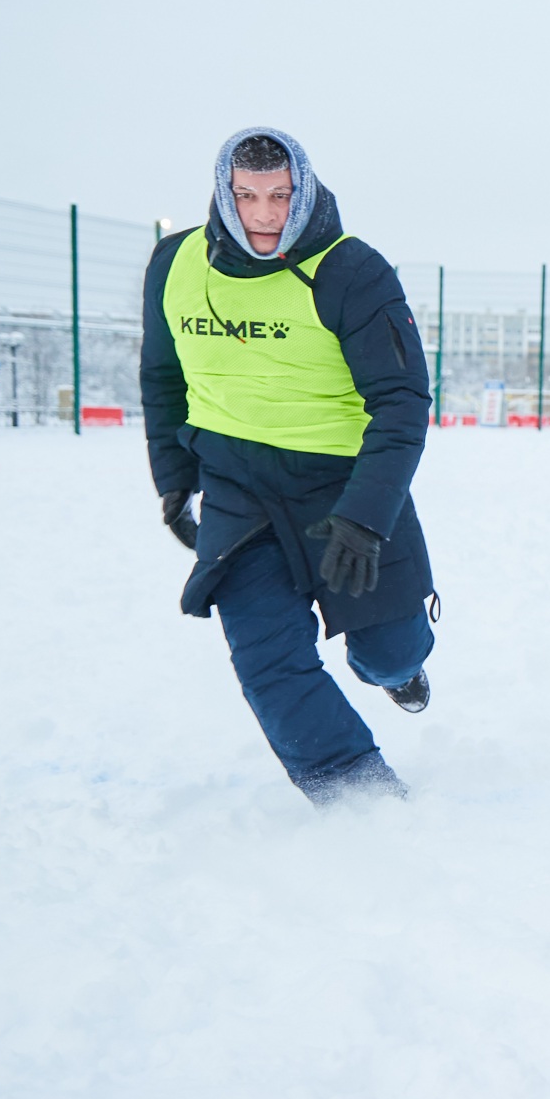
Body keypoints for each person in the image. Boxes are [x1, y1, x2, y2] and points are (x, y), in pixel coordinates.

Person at [140, 127, 438, 804]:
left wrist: (364, 518)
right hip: (237, 490)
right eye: (248, 197)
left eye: (280, 195)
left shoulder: (353, 272)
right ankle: (356, 796)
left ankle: (398, 670)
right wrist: (173, 482)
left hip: (341, 488)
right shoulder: (173, 263)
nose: (266, 214)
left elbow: (402, 402)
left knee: (390, 650)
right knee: (266, 655)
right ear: (225, 194)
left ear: (301, 189)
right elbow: (162, 376)